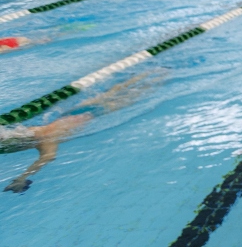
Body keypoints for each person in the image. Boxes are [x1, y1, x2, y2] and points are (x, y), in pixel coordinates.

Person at [3, 73, 153, 193]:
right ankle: (144, 75)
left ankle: (155, 78)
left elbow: (48, 157)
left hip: (94, 114)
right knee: (111, 93)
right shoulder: (36, 131)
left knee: (132, 95)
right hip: (74, 113)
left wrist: (23, 177)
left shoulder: (47, 139)